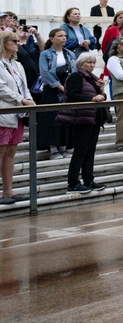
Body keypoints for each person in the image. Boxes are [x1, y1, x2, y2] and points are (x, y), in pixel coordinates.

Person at [57, 52, 109, 194]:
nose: (92, 65)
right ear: (80, 63)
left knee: (90, 151)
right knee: (80, 151)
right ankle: (73, 183)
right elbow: (72, 96)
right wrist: (92, 97)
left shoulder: (92, 78)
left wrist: (101, 91)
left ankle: (89, 180)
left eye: (93, 62)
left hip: (93, 118)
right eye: (88, 62)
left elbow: (99, 97)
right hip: (81, 118)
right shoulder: (75, 76)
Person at [1, 30, 34, 205]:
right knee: (1, 151)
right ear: (3, 42)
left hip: (18, 114)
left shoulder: (17, 64)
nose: (17, 43)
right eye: (13, 40)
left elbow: (24, 87)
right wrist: (21, 100)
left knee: (11, 152)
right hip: (4, 112)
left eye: (17, 40)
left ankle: (8, 191)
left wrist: (29, 101)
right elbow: (2, 89)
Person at [37, 28, 74, 158]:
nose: (63, 38)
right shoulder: (45, 54)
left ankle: (64, 147)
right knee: (51, 119)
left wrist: (69, 87)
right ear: (52, 38)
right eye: (60, 36)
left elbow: (73, 71)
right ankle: (53, 149)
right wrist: (59, 86)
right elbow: (45, 73)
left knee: (66, 118)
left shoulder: (70, 53)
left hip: (67, 89)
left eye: (65, 36)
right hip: (52, 90)